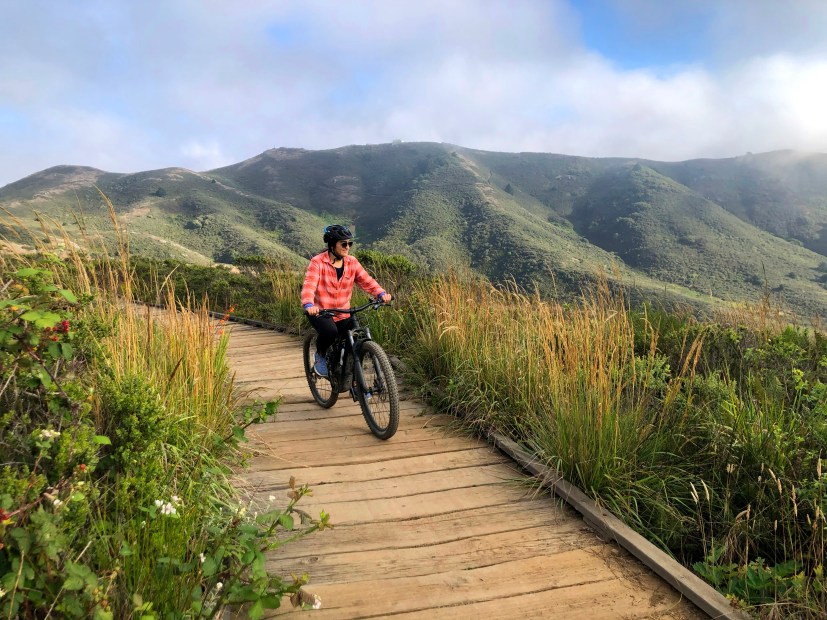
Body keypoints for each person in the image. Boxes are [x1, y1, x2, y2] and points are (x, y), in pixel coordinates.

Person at [301, 225, 392, 377]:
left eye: (350, 243)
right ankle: (321, 355)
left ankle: (354, 378)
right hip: (321, 311)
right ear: (332, 245)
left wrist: (381, 293)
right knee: (330, 332)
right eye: (344, 244)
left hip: (343, 312)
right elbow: (309, 285)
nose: (348, 247)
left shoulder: (352, 262)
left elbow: (366, 281)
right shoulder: (317, 262)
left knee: (355, 338)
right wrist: (309, 304)